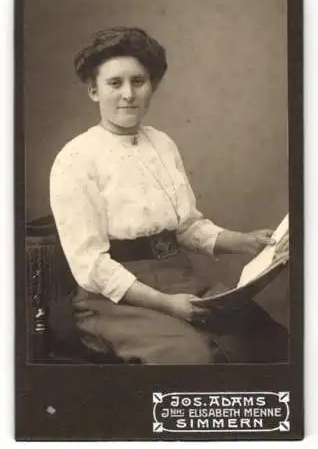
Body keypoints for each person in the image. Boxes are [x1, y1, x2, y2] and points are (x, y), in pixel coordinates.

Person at [50, 27, 288, 364]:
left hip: (183, 281)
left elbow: (187, 227)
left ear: (153, 86)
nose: (128, 94)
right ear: (93, 90)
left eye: (139, 81)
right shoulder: (75, 158)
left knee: (266, 337)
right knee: (192, 356)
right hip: (116, 299)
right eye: (114, 83)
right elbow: (91, 265)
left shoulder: (161, 143)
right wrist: (167, 304)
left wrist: (246, 242)